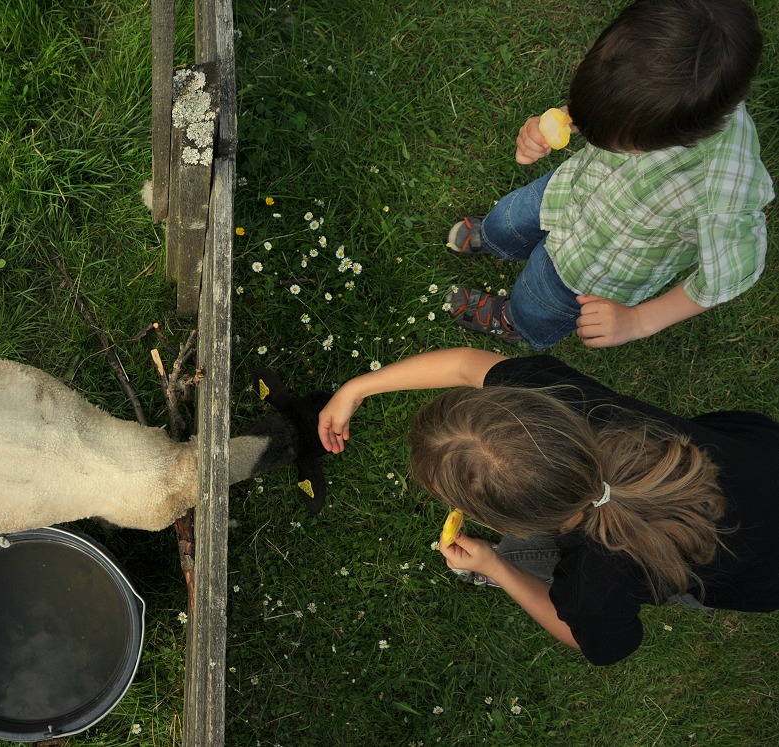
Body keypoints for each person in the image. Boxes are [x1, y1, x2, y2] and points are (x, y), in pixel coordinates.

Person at [317, 348, 779, 665]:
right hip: (755, 457)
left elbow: (585, 637)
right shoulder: (572, 402)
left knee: (681, 564)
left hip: (755, 569)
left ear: (506, 522)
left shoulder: (596, 588)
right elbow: (463, 365)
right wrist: (357, 387)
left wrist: (497, 566)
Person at [445, 0, 773, 349]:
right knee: (507, 220)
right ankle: (497, 241)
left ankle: (513, 320)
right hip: (567, 191)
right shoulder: (669, 98)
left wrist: (639, 321)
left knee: (537, 299)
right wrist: (560, 120)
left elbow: (729, 275)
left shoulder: (723, 195)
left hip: (592, 269)